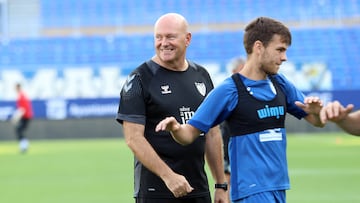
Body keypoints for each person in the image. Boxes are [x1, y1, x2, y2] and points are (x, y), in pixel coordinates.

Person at [155, 17, 325, 203]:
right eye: (280, 50)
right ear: (259, 47)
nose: (284, 58)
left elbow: (317, 122)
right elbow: (188, 135)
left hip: (278, 187)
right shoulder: (229, 90)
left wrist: (316, 113)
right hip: (251, 192)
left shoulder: (280, 83)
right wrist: (176, 128)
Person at [116, 13, 227, 203]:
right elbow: (133, 139)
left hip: (198, 189)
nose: (163, 43)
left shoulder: (201, 75)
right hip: (156, 191)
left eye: (170, 37)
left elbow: (212, 133)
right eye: (158, 37)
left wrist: (220, 184)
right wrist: (168, 176)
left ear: (187, 39)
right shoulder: (140, 79)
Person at [220, 56, 245, 202]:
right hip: (228, 143)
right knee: (227, 181)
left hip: (242, 145)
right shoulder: (228, 89)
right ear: (234, 71)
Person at [12, 83, 33, 153]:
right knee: (19, 130)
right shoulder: (22, 95)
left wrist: (16, 118)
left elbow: (22, 109)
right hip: (26, 116)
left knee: (19, 130)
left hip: (26, 116)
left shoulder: (21, 96)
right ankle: (24, 145)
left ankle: (24, 145)